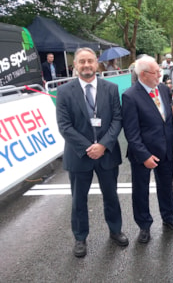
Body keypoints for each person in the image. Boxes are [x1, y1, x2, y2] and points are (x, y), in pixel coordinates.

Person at [56, 47, 128, 258]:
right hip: (79, 155)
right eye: (82, 62)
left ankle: (115, 230)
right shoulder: (63, 91)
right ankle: (80, 238)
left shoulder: (111, 88)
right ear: (75, 65)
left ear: (97, 64)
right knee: (78, 199)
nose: (86, 65)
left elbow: (117, 119)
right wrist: (89, 147)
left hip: (107, 153)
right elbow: (64, 126)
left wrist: (103, 145)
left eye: (90, 61)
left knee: (111, 196)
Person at [122, 55, 173, 244]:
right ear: (143, 75)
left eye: (159, 70)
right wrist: (144, 156)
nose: (160, 74)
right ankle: (144, 225)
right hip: (143, 154)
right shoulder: (130, 96)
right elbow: (131, 132)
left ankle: (169, 216)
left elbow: (166, 120)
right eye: (156, 72)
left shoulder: (164, 90)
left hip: (165, 149)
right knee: (140, 190)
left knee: (166, 185)